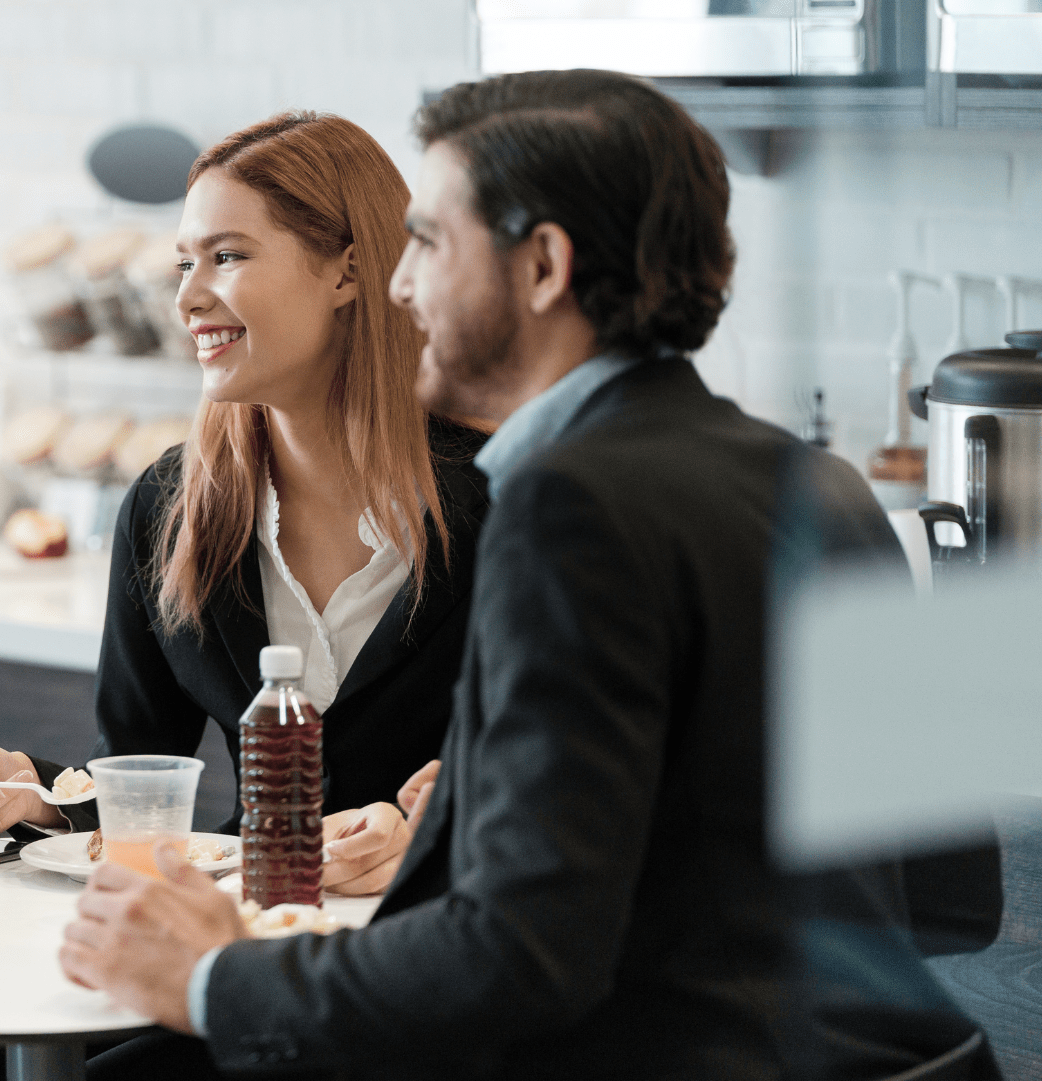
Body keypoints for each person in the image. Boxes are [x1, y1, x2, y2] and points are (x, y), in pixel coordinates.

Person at [56, 69, 994, 1079]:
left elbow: (518, 957)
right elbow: (949, 895)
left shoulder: (565, 504)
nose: (401, 287)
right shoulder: (819, 482)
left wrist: (214, 979)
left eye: (428, 243)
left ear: (542, 266)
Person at [0, 112, 488, 1081]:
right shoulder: (172, 509)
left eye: (226, 256)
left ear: (346, 272)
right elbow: (136, 781)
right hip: (220, 950)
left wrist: (428, 829)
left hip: (410, 979)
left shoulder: (501, 505)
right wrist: (40, 800)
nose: (188, 297)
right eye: (182, 263)